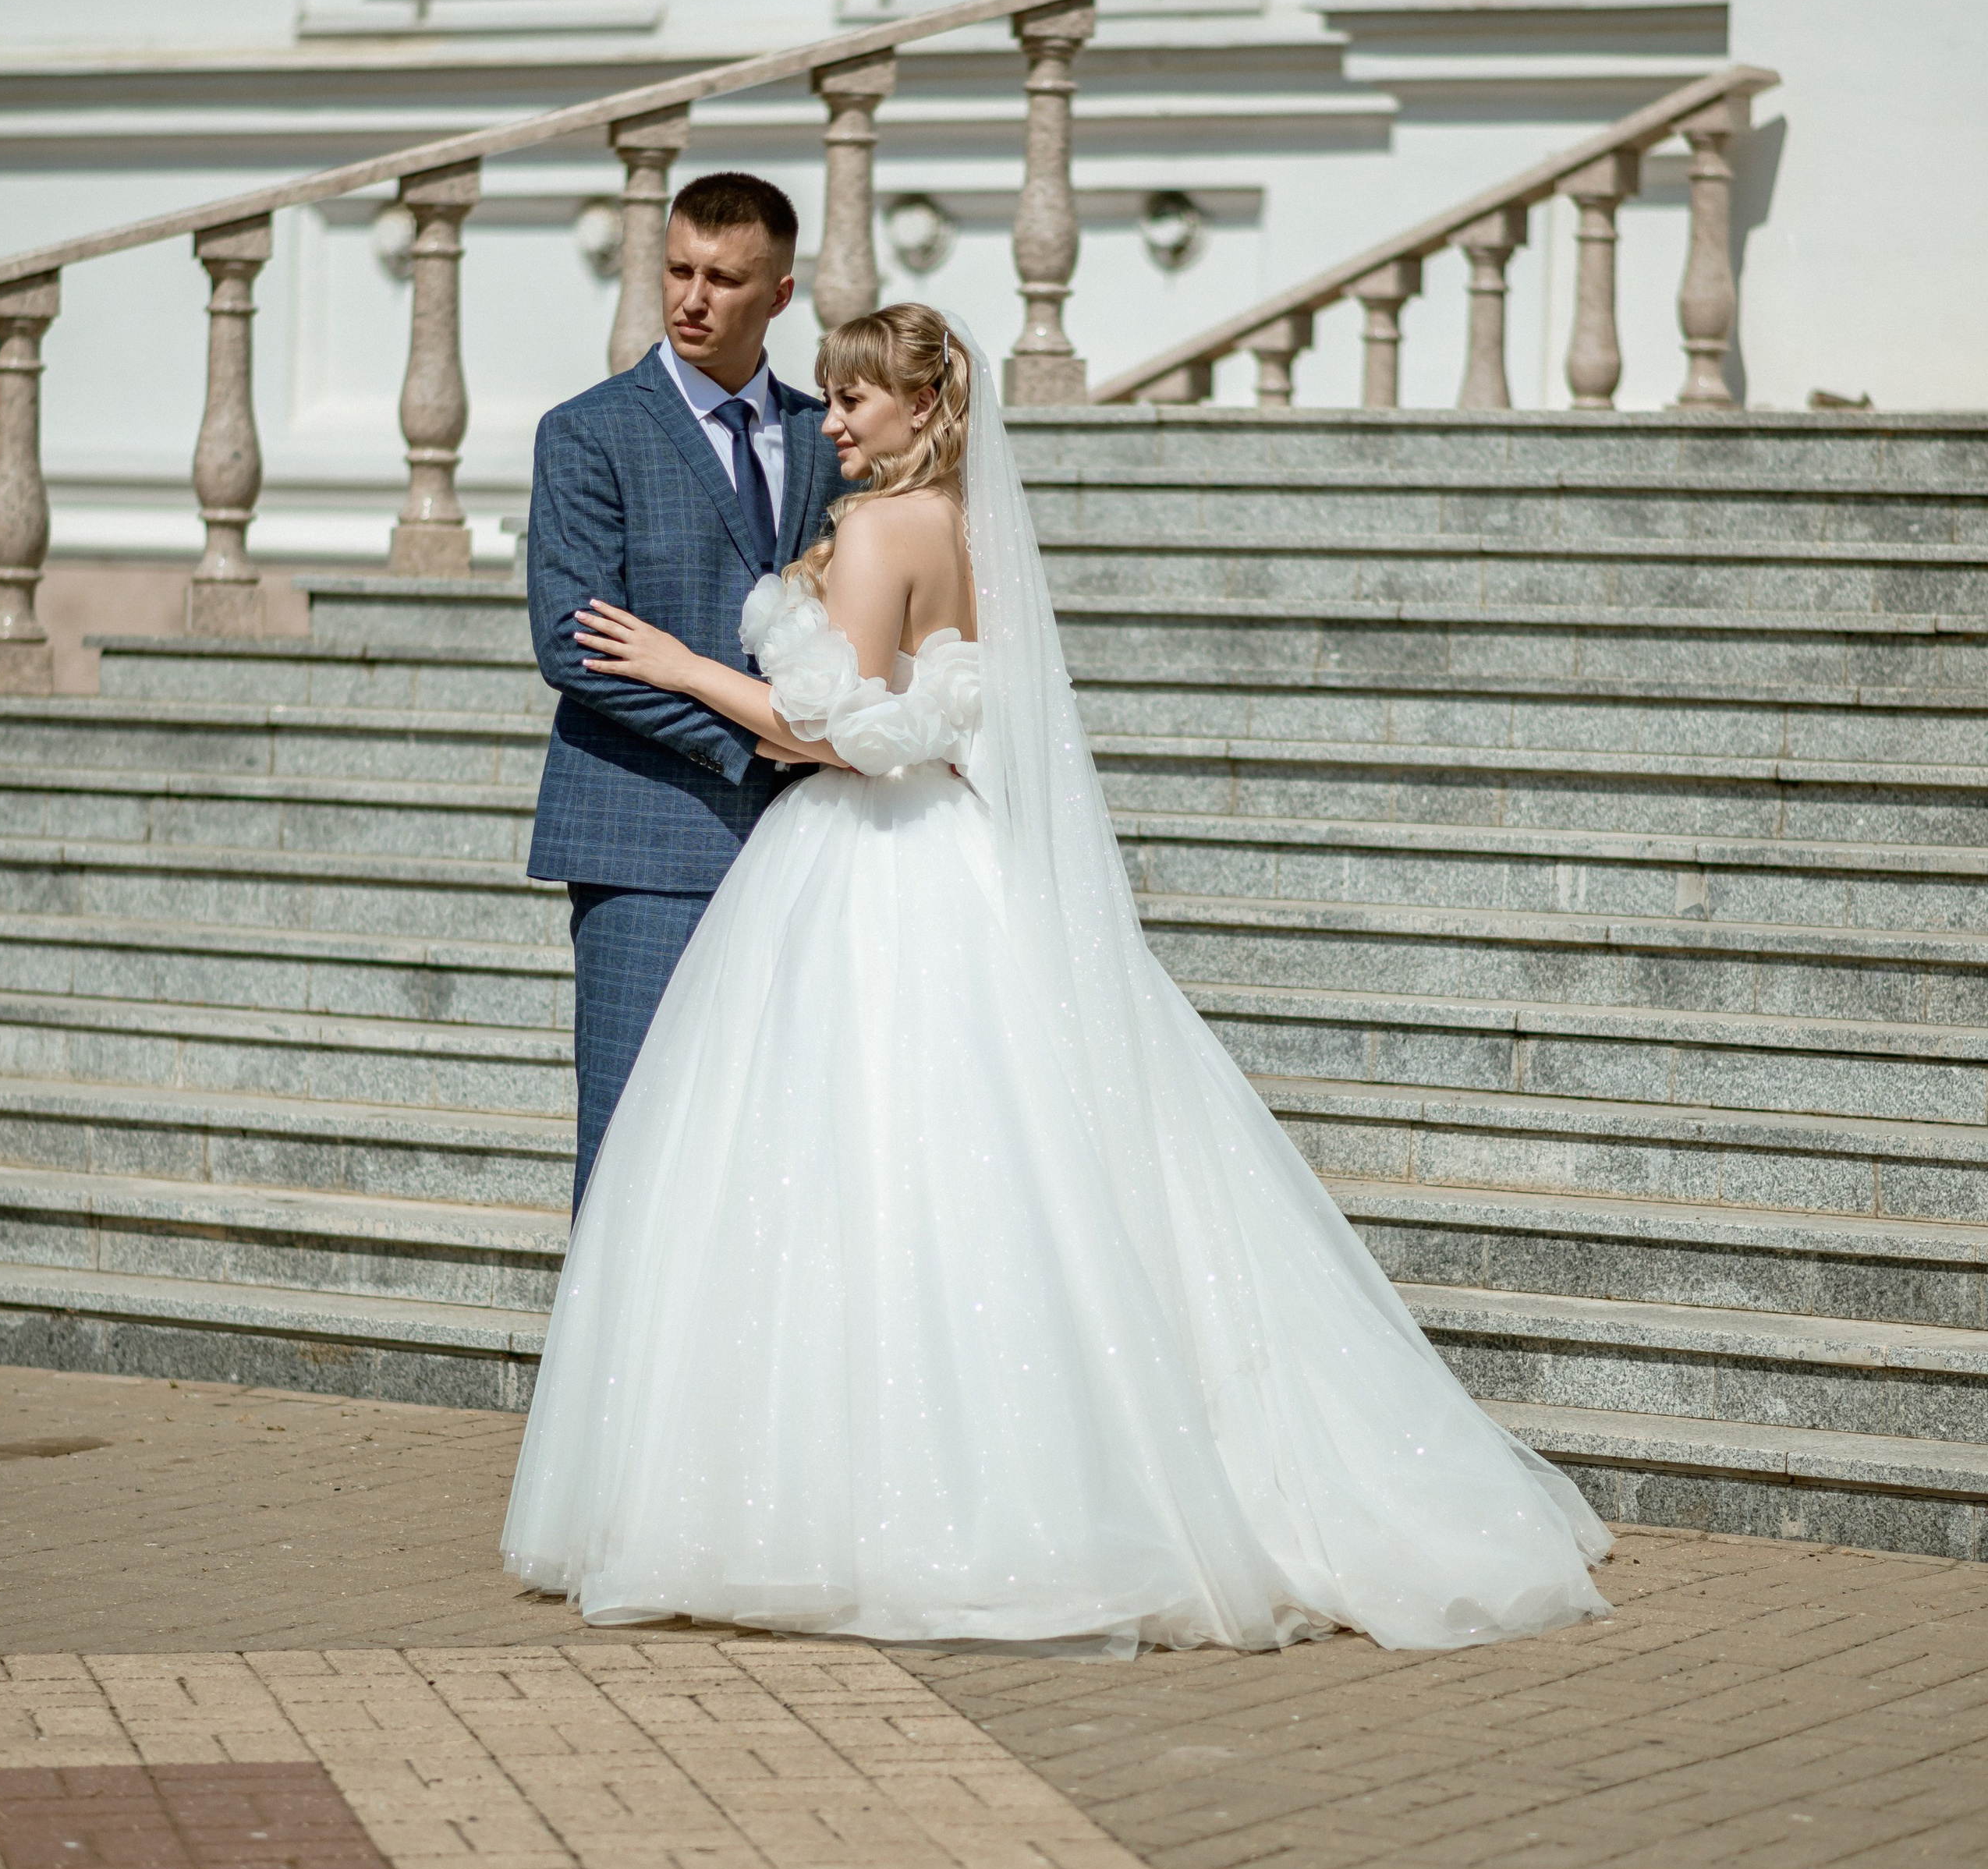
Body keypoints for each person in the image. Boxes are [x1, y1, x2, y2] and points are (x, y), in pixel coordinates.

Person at [504, 303, 1612, 1654]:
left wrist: (683, 666)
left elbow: (833, 733)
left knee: (856, 1168)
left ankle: (865, 1505)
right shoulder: (969, 528)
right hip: (959, 849)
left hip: (868, 855)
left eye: (857, 401)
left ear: (923, 406)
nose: (830, 421)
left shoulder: (880, 530)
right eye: (832, 397)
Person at [525, 171, 845, 1211]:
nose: (692, 298)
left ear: (780, 294)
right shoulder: (588, 432)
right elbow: (576, 645)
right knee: (634, 1149)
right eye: (678, 270)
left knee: (773, 1153)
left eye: (724, 279)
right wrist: (756, 740)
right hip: (645, 847)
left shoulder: (826, 441)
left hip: (808, 850)